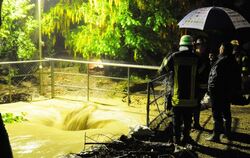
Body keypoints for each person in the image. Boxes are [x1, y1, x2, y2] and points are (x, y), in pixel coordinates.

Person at [159, 35, 199, 145]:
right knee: (187, 120)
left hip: (177, 97)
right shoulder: (197, 58)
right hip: (191, 99)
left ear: (180, 45)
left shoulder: (174, 57)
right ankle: (186, 138)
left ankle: (177, 142)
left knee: (176, 121)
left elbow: (162, 70)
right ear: (192, 46)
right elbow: (202, 76)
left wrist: (168, 55)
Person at [207, 42, 241, 142]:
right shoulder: (232, 60)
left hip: (217, 91)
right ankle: (227, 133)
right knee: (226, 111)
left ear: (223, 49)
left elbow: (214, 77)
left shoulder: (221, 61)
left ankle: (216, 135)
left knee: (216, 113)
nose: (219, 49)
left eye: (220, 48)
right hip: (227, 91)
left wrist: (210, 89)